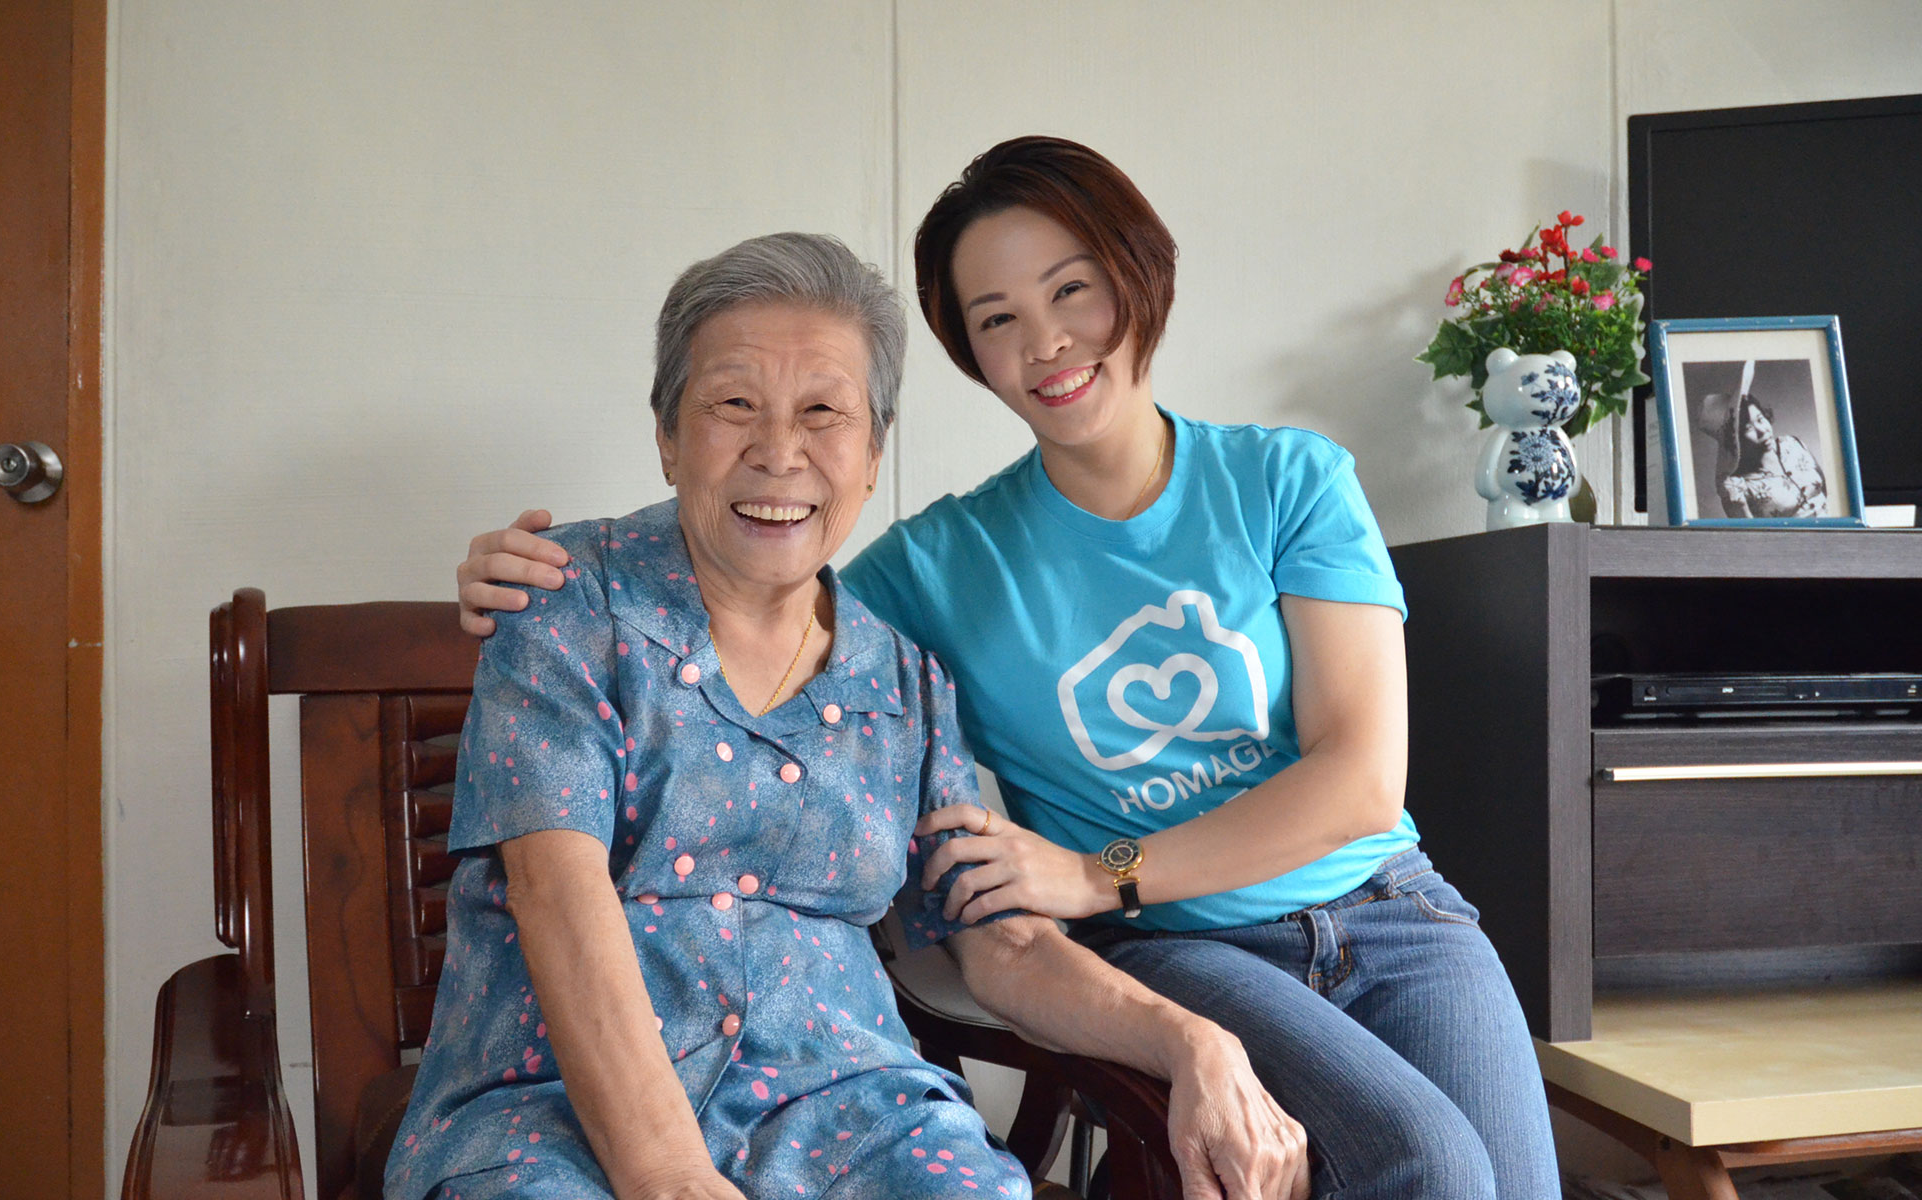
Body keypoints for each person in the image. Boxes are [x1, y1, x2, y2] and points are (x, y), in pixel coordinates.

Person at [456, 138, 1559, 1200]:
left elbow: (1360, 779)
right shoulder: (926, 574)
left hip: (1389, 908)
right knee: (1432, 1167)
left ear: (1138, 278)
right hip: (1176, 946)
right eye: (997, 319)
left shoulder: (1288, 480)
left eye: (1072, 291)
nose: (1046, 343)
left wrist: (1095, 873)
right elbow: (759, 574)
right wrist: (529, 579)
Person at [394, 230, 1308, 1200]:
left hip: (849, 1116)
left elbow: (1002, 945)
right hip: (554, 1118)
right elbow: (555, 891)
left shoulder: (904, 681)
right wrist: (669, 1175)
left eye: (823, 412)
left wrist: (1192, 1041)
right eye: (733, 405)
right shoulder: (567, 601)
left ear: (871, 455)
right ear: (667, 437)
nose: (777, 452)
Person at [1709, 384, 1827, 518]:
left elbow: (1825, 488)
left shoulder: (1792, 443)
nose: (1762, 430)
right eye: (1748, 428)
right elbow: (1749, 531)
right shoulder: (1738, 486)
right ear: (1736, 440)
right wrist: (1739, 506)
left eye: (1760, 419)